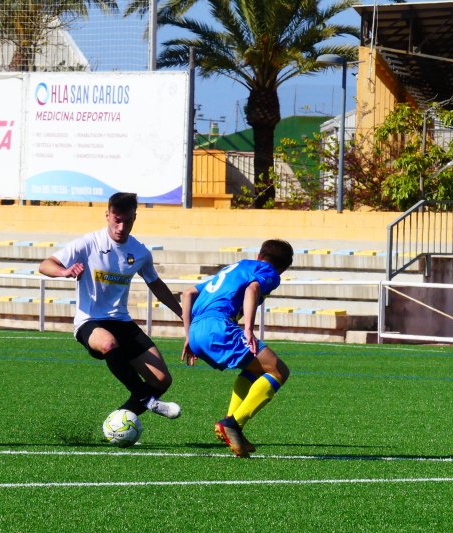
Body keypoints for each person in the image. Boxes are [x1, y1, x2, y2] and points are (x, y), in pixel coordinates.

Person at [39, 192, 184, 429]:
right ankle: (148, 400)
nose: (121, 226)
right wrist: (65, 272)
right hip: (90, 322)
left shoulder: (140, 252)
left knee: (161, 380)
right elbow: (46, 265)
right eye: (116, 219)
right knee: (108, 344)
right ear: (107, 215)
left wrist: (181, 313)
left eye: (127, 220)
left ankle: (117, 421)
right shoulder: (89, 244)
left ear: (134, 218)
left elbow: (155, 284)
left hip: (122, 321)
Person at [181, 239, 294, 458]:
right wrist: (249, 329)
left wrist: (188, 336)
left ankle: (234, 430)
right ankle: (232, 423)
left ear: (259, 254)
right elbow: (253, 289)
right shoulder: (268, 271)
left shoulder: (234, 268)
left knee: (253, 369)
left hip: (196, 330)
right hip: (219, 326)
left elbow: (187, 294)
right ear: (285, 266)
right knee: (278, 370)